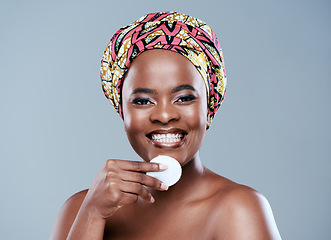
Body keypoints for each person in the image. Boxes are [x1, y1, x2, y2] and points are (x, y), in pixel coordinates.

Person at [50, 11, 282, 239]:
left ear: (209, 108)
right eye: (142, 101)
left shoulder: (239, 209)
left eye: (184, 98)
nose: (163, 115)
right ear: (123, 113)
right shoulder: (80, 209)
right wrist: (93, 214)